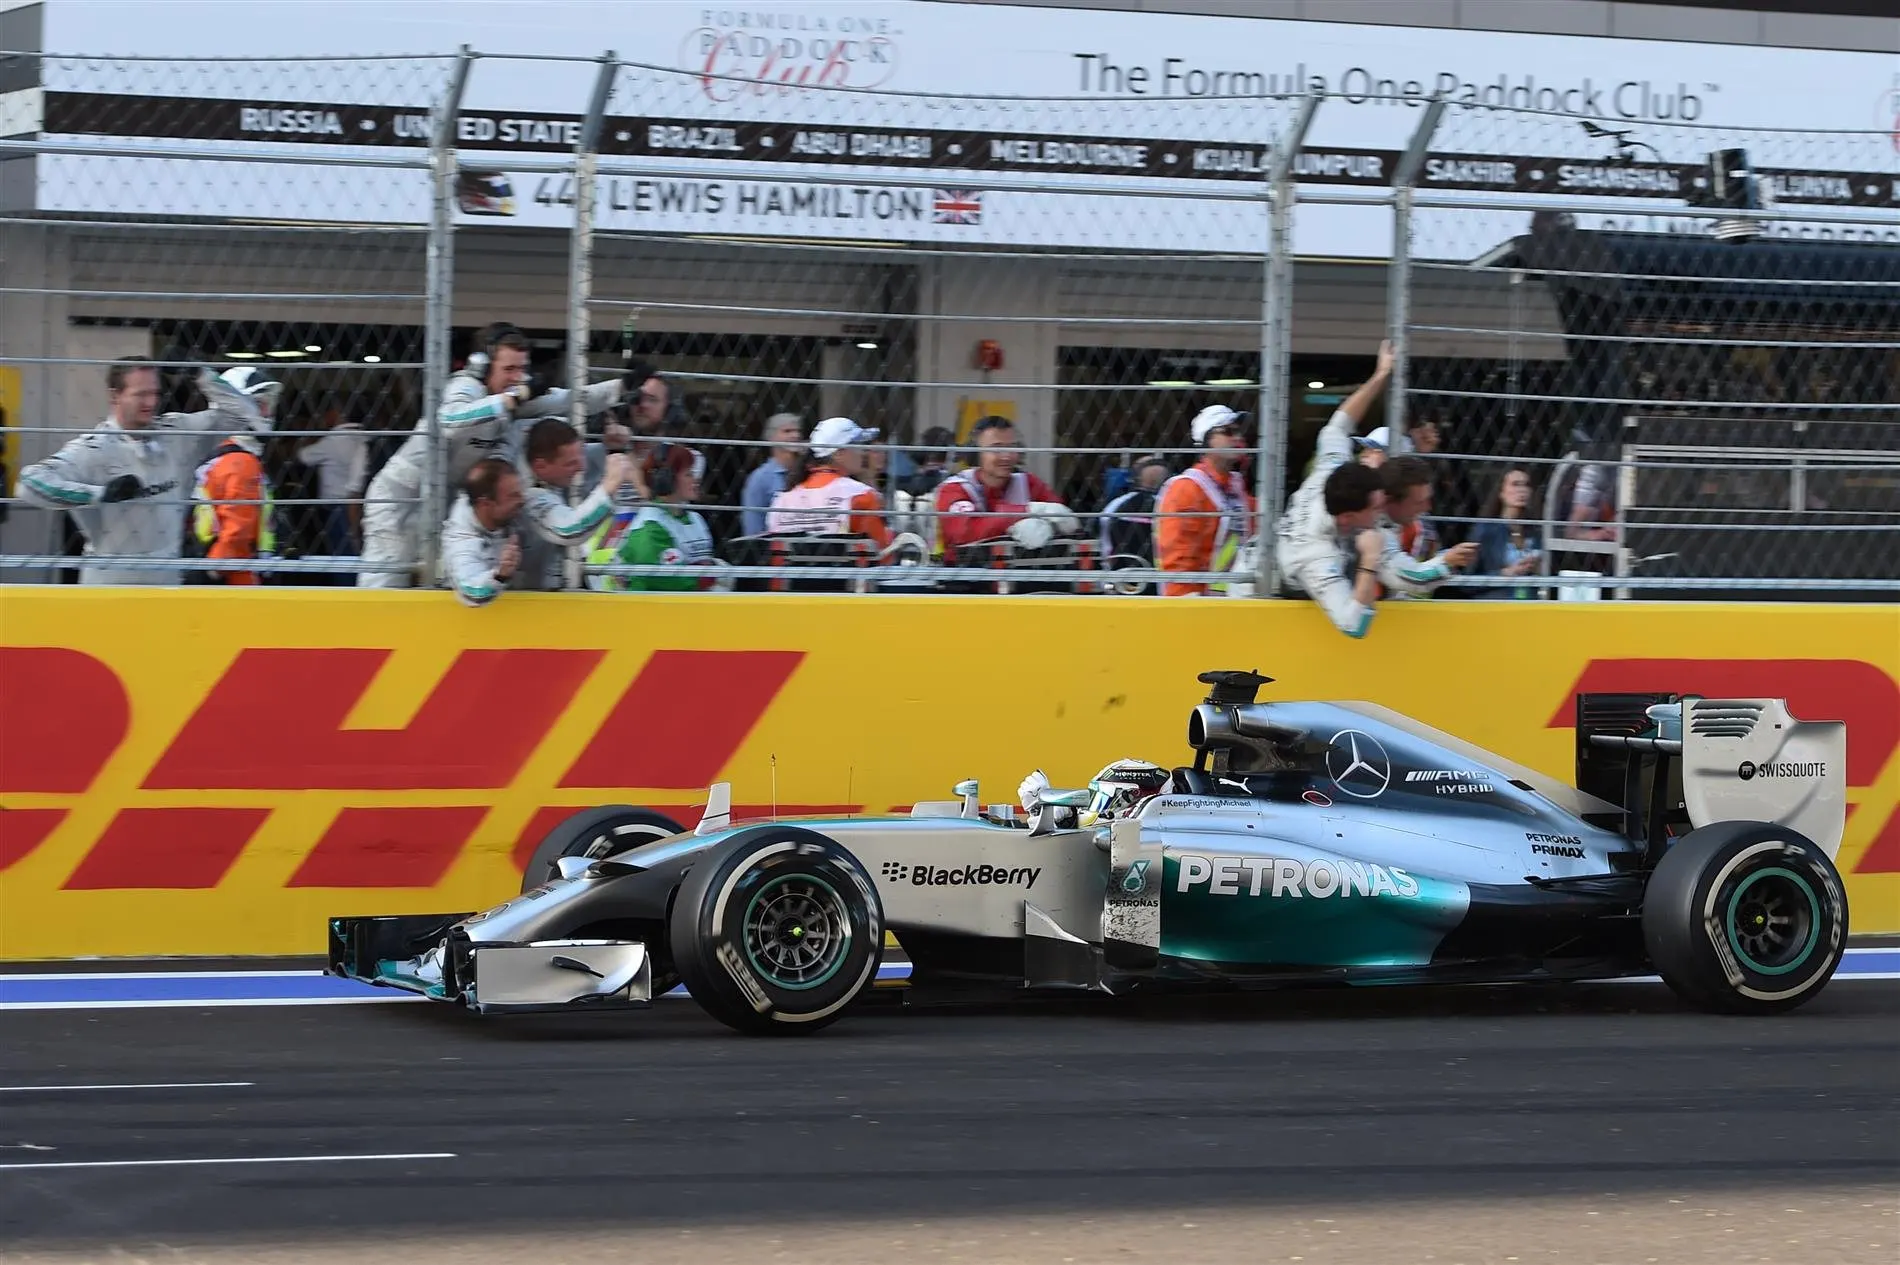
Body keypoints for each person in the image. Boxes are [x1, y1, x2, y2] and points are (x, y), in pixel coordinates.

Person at [358, 322, 633, 588]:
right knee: (385, 584)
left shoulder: (513, 395)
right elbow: (450, 419)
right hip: (401, 499)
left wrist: (622, 387)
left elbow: (567, 400)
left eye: (522, 369)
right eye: (509, 369)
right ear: (483, 367)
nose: (518, 377)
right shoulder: (466, 387)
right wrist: (511, 400)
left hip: (442, 499)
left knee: (430, 581)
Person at [16, 358, 265, 585]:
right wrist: (100, 494)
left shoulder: (178, 434)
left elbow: (244, 414)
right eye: (140, 394)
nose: (151, 403)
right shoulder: (93, 449)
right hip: (109, 586)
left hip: (166, 583)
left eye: (155, 393)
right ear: (115, 395)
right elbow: (29, 484)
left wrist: (201, 374)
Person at [439, 443, 633, 607]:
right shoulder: (460, 536)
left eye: (520, 491)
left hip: (541, 605)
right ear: (486, 504)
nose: (522, 499)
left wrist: (609, 486)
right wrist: (500, 575)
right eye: (513, 496)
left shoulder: (526, 499)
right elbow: (471, 592)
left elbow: (569, 529)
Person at [511, 417, 639, 590]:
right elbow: (569, 530)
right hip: (522, 597)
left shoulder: (550, 454)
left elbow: (581, 454)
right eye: (571, 463)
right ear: (540, 466)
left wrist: (611, 447)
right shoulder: (523, 494)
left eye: (582, 453)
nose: (582, 466)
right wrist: (610, 485)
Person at [187, 366, 284, 585]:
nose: (266, 413)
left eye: (268, 404)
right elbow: (236, 531)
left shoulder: (220, 455)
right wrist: (211, 573)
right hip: (234, 578)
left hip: (224, 570)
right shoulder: (240, 461)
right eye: (258, 404)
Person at [587, 443, 729, 592]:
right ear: (667, 479)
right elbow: (667, 578)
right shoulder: (650, 525)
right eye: (689, 474)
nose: (696, 479)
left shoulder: (695, 519)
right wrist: (714, 575)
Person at [932, 415, 1078, 554]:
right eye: (996, 448)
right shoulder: (956, 488)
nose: (1006, 456)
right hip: (966, 570)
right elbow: (963, 533)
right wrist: (1024, 512)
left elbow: (1066, 521)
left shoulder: (1027, 482)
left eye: (1012, 447)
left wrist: (1049, 528)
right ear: (976, 453)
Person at [1155, 405, 1256, 597]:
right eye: (1228, 431)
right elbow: (1178, 558)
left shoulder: (1236, 486)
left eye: (1239, 431)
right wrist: (1188, 603)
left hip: (1236, 599)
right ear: (1207, 440)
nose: (1238, 437)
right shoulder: (1186, 488)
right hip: (1197, 601)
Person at [765, 416, 892, 548]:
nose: (863, 452)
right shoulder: (860, 495)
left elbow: (775, 551)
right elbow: (881, 549)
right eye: (858, 445)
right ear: (839, 453)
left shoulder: (782, 500)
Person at [1374, 455, 1479, 599]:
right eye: (1418, 502)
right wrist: (1447, 561)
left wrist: (1448, 558)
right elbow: (1412, 579)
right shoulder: (1371, 529)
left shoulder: (1392, 524)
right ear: (1388, 501)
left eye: (1428, 499)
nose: (1427, 507)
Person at [1470, 466, 1544, 600]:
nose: (1521, 490)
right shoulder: (1486, 530)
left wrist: (1539, 569)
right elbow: (1466, 581)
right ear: (1501, 492)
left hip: (1531, 602)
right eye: (1515, 484)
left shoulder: (1536, 531)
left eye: (1526, 485)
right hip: (1496, 602)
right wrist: (1507, 573)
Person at [740, 412, 803, 535]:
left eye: (797, 431)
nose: (795, 435)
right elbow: (753, 524)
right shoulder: (760, 478)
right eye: (787, 431)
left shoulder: (807, 471)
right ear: (772, 437)